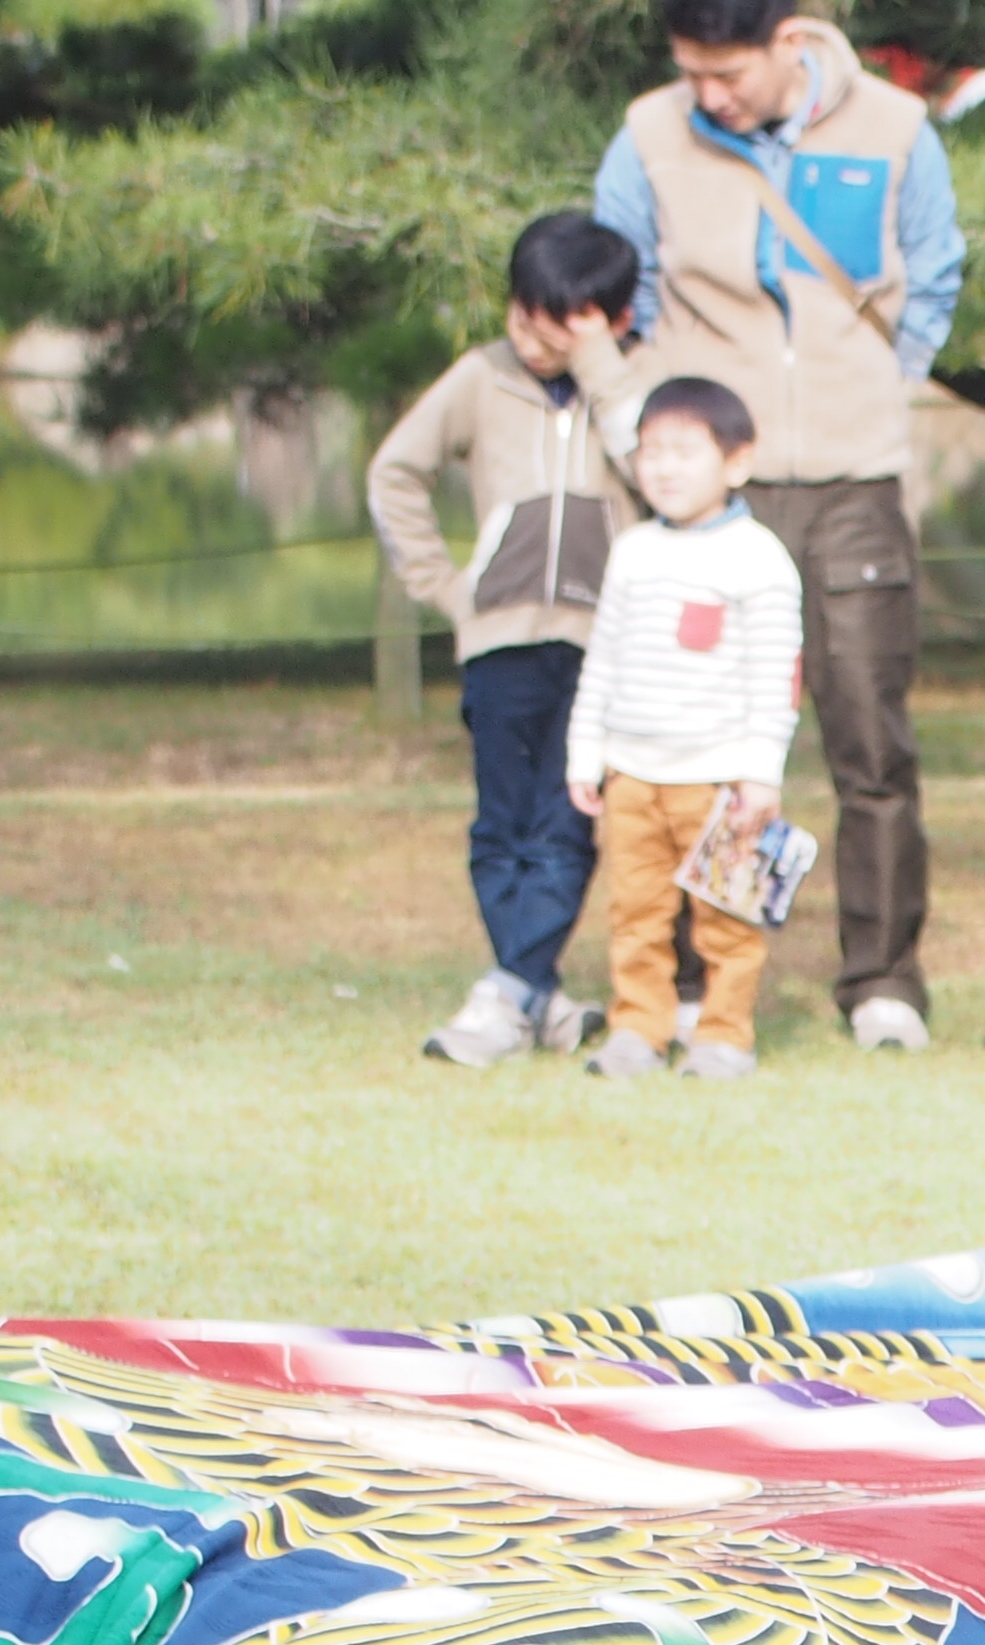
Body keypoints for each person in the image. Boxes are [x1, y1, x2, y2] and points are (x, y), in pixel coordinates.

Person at [586, 0, 962, 1055]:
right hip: (706, 492)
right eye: (692, 73)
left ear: (789, 40)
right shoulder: (650, 136)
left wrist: (881, 383)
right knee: (687, 747)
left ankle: (883, 976)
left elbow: (932, 272)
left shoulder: (893, 126)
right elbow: (628, 293)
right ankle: (701, 986)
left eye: (729, 75)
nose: (710, 96)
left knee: (868, 733)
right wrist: (666, 433)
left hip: (853, 477)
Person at [378, 211, 646, 1071]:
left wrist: (601, 366)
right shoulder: (479, 377)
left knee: (566, 822)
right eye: (521, 312)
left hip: (606, 644)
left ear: (608, 318)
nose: (531, 336)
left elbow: (657, 465)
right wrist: (448, 589)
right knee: (502, 823)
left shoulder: (636, 384)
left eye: (555, 319)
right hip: (499, 639)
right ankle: (532, 990)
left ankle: (509, 994)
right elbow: (396, 473)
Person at [569, 376, 805, 1083]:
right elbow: (603, 657)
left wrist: (760, 772)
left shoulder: (758, 557)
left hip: (719, 781)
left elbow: (776, 677)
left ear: (736, 463)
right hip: (633, 775)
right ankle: (637, 1028)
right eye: (650, 452)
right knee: (635, 913)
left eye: (683, 452)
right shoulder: (634, 550)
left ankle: (723, 1035)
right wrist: (588, 754)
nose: (663, 468)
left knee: (726, 921)